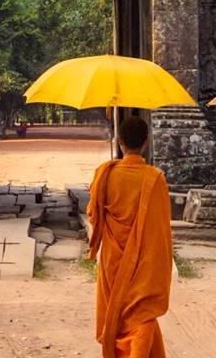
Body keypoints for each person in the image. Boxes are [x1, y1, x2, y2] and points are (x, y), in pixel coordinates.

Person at [85, 114, 174, 358]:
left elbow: (93, 215)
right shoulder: (155, 179)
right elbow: (161, 228)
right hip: (145, 262)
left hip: (113, 260)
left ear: (119, 140)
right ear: (146, 142)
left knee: (118, 315)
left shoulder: (104, 175)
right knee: (141, 314)